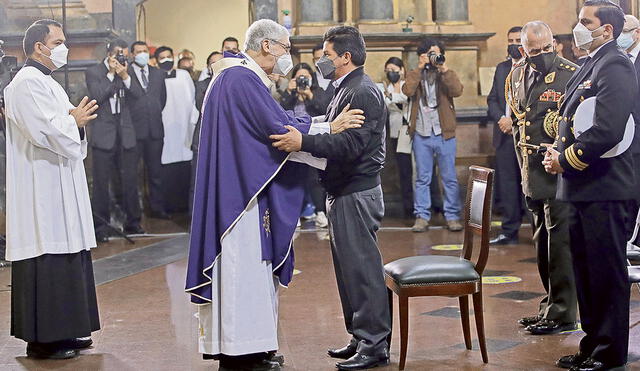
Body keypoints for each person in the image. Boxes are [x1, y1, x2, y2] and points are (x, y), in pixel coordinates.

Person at [186, 19, 364, 370]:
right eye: (285, 48)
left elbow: (277, 121)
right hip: (240, 198)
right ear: (267, 46)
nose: (288, 56)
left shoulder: (237, 77)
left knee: (252, 270)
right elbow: (276, 130)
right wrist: (330, 127)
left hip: (243, 187)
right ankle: (241, 354)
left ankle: (254, 347)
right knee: (243, 270)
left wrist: (319, 126)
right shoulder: (240, 78)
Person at [271, 25, 391, 371]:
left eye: (327, 54)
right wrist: (305, 130)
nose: (322, 60)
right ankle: (359, 335)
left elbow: (351, 146)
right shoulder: (345, 88)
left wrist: (303, 143)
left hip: (356, 190)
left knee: (363, 270)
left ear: (345, 57)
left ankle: (374, 343)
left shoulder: (363, 91)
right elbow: (330, 125)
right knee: (348, 271)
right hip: (342, 190)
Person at [544, 1, 636, 369]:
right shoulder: (590, 63)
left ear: (607, 30)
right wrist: (557, 148)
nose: (578, 27)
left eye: (586, 22)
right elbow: (575, 120)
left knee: (605, 273)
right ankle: (592, 343)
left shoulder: (615, 64)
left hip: (607, 187)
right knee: (585, 270)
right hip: (585, 187)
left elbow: (609, 128)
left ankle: (609, 352)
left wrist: (565, 159)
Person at [3, 19, 100, 359]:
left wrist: (75, 123)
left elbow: (64, 129)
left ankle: (67, 330)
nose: (64, 47)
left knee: (68, 254)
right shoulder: (26, 84)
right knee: (48, 254)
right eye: (58, 41)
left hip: (60, 182)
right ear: (38, 47)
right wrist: (73, 122)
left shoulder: (48, 83)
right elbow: (42, 132)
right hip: (40, 188)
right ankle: (43, 340)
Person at [507, 21, 578, 335]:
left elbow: (577, 127)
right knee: (542, 246)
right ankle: (549, 305)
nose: (542, 55)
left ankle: (563, 313)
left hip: (559, 174)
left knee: (560, 246)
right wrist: (524, 174)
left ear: (555, 44)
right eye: (535, 51)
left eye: (547, 49)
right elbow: (520, 125)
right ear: (524, 50)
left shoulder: (571, 73)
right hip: (532, 174)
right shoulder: (517, 74)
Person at [85, 38, 144, 242]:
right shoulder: (94, 72)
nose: (121, 57)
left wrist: (125, 75)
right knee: (101, 183)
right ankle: (100, 226)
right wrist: (111, 74)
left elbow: (139, 95)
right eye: (118, 53)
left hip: (125, 133)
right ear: (108, 53)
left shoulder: (128, 70)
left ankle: (133, 222)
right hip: (104, 134)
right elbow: (97, 96)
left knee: (129, 181)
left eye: (124, 54)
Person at [403, 38, 464, 232]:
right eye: (429, 53)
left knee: (449, 177)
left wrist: (444, 69)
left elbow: (457, 90)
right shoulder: (416, 73)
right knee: (422, 177)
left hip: (444, 133)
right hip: (421, 132)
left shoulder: (445, 73)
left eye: (436, 53)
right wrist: (419, 68)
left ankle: (452, 216)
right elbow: (407, 90)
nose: (432, 57)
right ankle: (422, 216)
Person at [279, 62, 333, 227]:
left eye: (306, 77)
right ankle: (293, 214)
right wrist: (289, 92)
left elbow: (326, 111)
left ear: (312, 78)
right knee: (293, 177)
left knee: (314, 177)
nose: (302, 80)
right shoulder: (290, 94)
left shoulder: (318, 92)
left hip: (313, 139)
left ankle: (320, 212)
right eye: (299, 77)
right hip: (292, 139)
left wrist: (309, 95)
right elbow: (281, 112)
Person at [487, 26, 527, 245]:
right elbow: (492, 99)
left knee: (528, 182)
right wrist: (502, 119)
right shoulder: (502, 68)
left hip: (525, 136)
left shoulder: (533, 68)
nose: (513, 44)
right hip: (503, 136)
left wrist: (515, 122)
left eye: (518, 40)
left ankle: (537, 230)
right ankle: (509, 230)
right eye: (510, 40)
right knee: (508, 183)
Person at [127, 41, 169, 219]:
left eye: (145, 51)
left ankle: (157, 208)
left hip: (155, 130)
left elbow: (162, 99)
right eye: (138, 52)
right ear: (131, 54)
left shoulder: (158, 74)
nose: (142, 54)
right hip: (134, 131)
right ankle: (134, 212)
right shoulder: (125, 73)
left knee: (155, 172)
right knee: (131, 174)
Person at [155, 45, 199, 213]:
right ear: (157, 61)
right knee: (167, 167)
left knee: (184, 166)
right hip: (164, 129)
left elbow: (192, 99)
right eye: (162, 57)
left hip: (183, 127)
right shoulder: (155, 77)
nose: (166, 59)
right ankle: (168, 206)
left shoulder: (184, 75)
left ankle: (184, 206)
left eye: (168, 56)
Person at [378, 57, 413, 218]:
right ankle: (408, 208)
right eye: (388, 71)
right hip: (396, 134)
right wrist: (389, 96)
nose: (392, 73)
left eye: (394, 69)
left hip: (411, 131)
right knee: (404, 172)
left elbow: (405, 99)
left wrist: (391, 97)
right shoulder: (386, 88)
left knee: (420, 172)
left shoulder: (408, 86)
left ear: (402, 69)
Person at [190, 50, 223, 212]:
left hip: (225, 140)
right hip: (203, 138)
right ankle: (194, 220)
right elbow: (200, 105)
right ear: (208, 67)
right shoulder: (202, 85)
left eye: (220, 62)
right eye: (213, 63)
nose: (217, 66)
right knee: (198, 182)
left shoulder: (234, 84)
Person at [617, 14, 640, 238]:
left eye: (626, 31)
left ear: (637, 33)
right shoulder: (616, 58)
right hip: (619, 140)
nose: (621, 37)